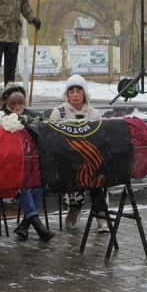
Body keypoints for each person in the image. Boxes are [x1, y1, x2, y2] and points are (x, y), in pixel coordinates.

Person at [0, 84, 54, 243]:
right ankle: (38, 226)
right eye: (13, 104)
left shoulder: (32, 117)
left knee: (38, 187)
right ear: (6, 104)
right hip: (10, 166)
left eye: (20, 104)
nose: (18, 108)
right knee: (23, 187)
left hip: (32, 164)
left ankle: (24, 226)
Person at [48, 74, 109, 231]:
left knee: (97, 178)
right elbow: (52, 138)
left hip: (90, 158)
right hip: (68, 159)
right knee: (75, 174)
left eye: (78, 91)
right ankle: (74, 208)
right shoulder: (59, 112)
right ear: (67, 94)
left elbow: (99, 137)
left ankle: (101, 215)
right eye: (71, 91)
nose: (75, 94)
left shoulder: (93, 113)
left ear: (84, 93)